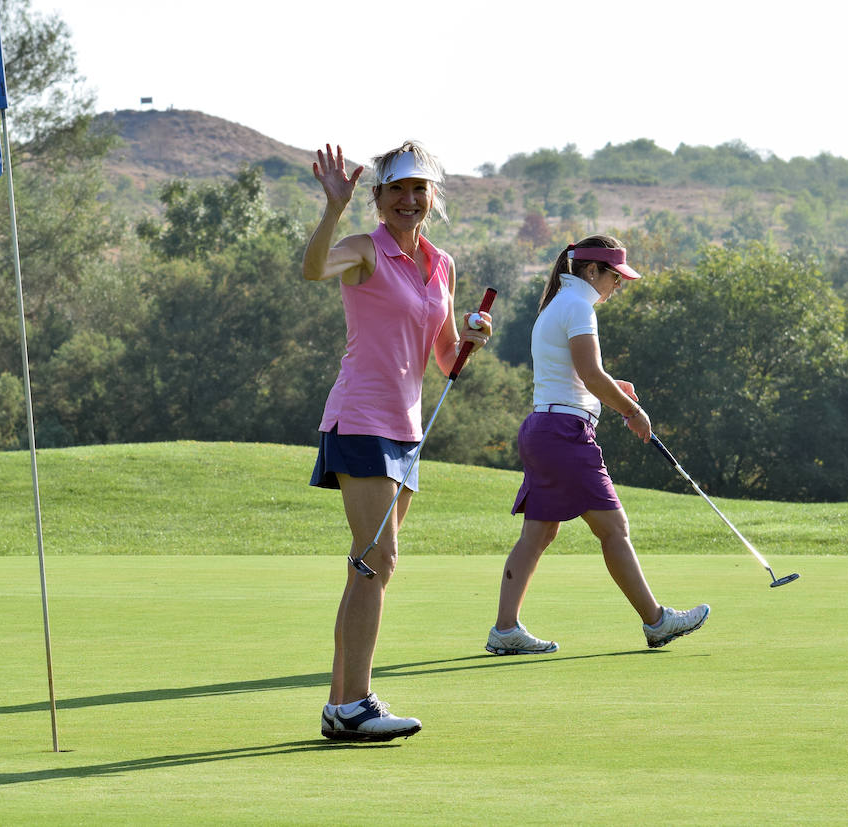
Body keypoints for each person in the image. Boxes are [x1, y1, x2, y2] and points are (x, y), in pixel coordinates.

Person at [303, 141, 491, 741]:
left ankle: (342, 705)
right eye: (396, 190)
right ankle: (354, 703)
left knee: (370, 568)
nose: (408, 200)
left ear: (433, 197)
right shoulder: (364, 249)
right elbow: (312, 269)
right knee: (376, 560)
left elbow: (441, 357)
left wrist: (470, 341)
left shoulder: (443, 265)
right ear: (379, 198)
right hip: (360, 419)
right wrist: (334, 208)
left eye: (418, 190)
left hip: (406, 430)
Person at [484, 235, 709, 657]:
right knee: (613, 529)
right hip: (565, 435)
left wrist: (609, 389)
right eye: (614, 276)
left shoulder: (559, 304)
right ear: (592, 271)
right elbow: (589, 374)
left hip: (544, 429)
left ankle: (505, 629)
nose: (617, 285)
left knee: (537, 534)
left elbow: (575, 375)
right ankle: (656, 621)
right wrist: (631, 411)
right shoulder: (578, 307)